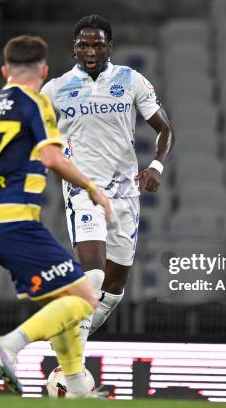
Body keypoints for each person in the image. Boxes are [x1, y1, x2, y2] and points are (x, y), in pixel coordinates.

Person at [0, 34, 112, 398]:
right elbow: (52, 158)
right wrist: (93, 189)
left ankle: (75, 383)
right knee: (86, 299)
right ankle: (9, 345)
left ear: (6, 70)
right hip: (17, 223)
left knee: (63, 301)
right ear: (44, 70)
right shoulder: (33, 103)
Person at [41, 15, 174, 352]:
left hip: (125, 193)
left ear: (109, 47)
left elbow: (165, 129)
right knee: (94, 274)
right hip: (83, 190)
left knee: (112, 291)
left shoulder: (131, 81)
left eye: (97, 44)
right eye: (83, 44)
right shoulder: (55, 90)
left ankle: (70, 344)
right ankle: (71, 362)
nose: (90, 50)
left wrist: (156, 166)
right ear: (73, 48)